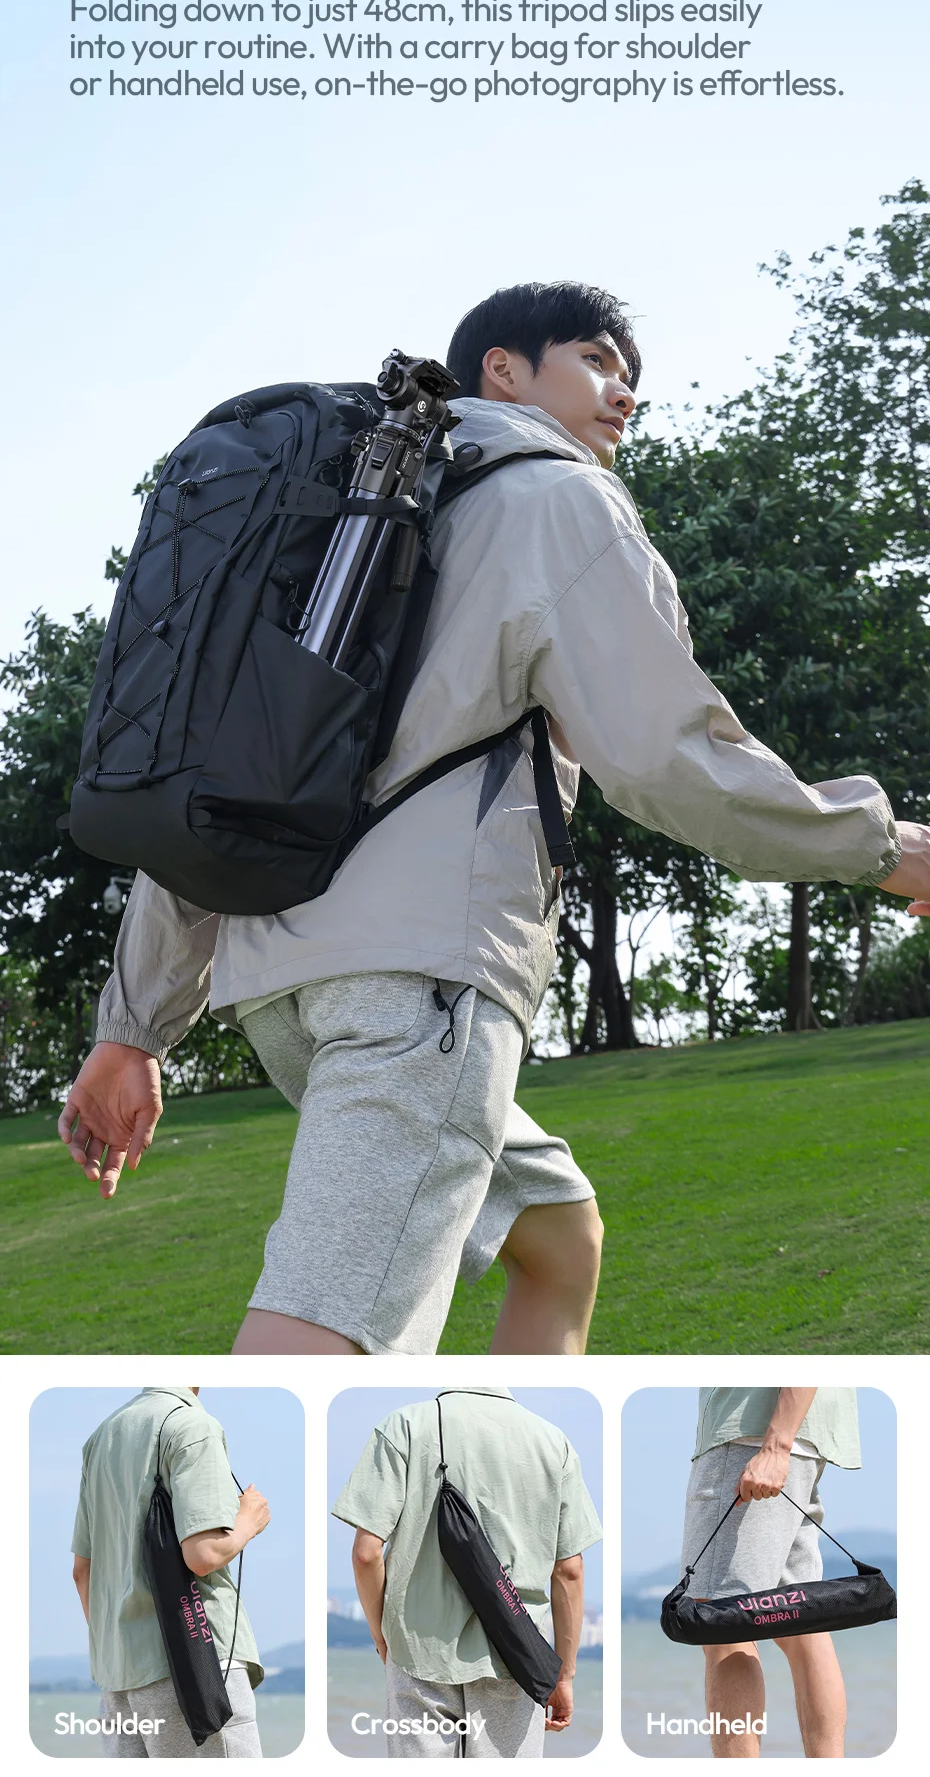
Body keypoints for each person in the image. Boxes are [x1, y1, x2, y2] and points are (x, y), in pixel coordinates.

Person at [58, 281, 930, 1357]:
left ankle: (504, 1452)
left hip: (283, 989)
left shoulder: (338, 519)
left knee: (561, 1237)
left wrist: (132, 1028)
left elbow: (214, 782)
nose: (625, 394)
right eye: (598, 361)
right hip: (421, 989)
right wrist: (885, 848)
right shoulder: (558, 502)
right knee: (321, 1347)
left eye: (632, 378)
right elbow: (669, 759)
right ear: (503, 370)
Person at [332, 1385, 601, 1758]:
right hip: (516, 1657)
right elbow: (569, 1570)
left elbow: (366, 1554)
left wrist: (382, 1637)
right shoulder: (554, 1443)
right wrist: (563, 1675)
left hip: (417, 1651)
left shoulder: (404, 1426)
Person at [71, 1385, 269, 1759]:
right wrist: (249, 1520)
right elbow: (204, 1554)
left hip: (118, 1681)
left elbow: (83, 1571)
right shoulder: (191, 1425)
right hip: (194, 1664)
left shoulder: (100, 1439)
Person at [682, 1387, 861, 1759]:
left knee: (721, 1621)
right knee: (802, 1625)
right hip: (800, 1435)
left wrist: (776, 1446)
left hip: (754, 1433)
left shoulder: (765, 1441)